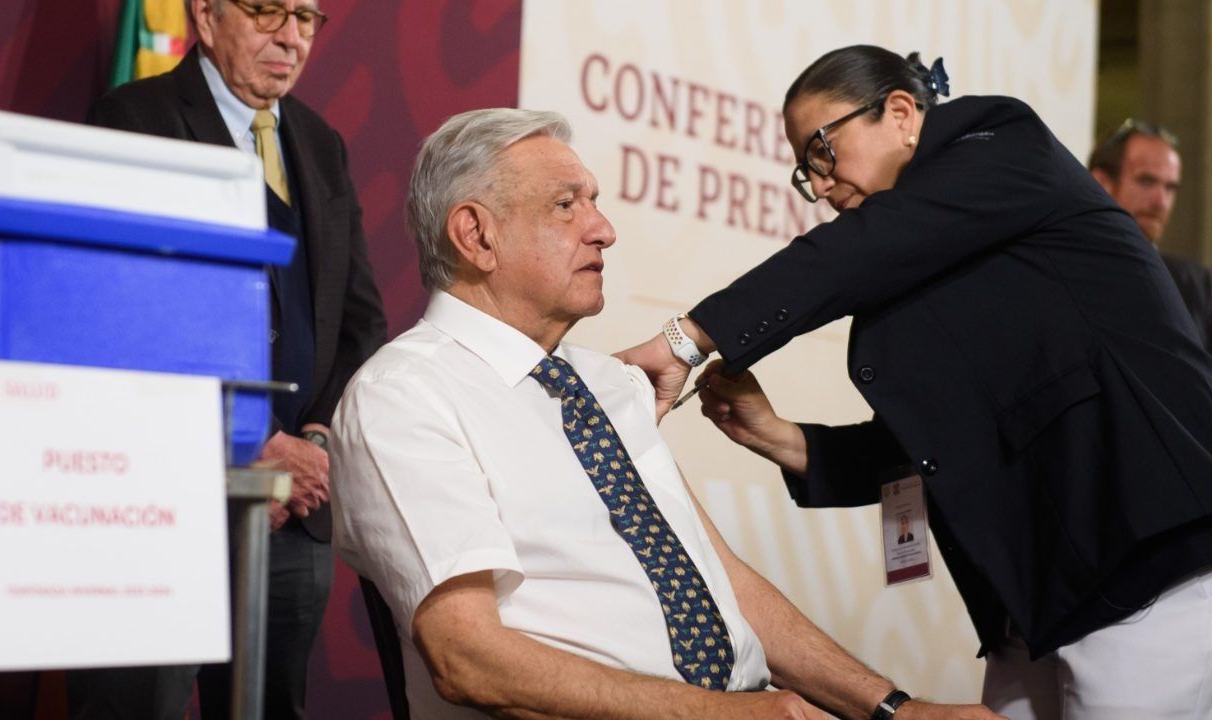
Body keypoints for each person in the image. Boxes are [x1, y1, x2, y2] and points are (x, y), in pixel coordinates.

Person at [330, 108, 1000, 720]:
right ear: (476, 235)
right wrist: (722, 715)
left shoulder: (609, 383)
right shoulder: (404, 396)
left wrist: (892, 711)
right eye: (567, 205)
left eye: (594, 200)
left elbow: (720, 577)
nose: (604, 229)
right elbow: (467, 659)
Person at [618, 45, 1212, 719]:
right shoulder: (937, 251)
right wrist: (786, 440)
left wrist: (688, 338)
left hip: (1140, 558)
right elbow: (948, 442)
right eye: (806, 172)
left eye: (822, 151)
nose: (822, 186)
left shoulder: (1003, 143)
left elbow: (855, 253)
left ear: (901, 112)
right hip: (1041, 601)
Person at [70, 1, 387, 717]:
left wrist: (312, 441)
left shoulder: (321, 142)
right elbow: (118, 314)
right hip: (165, 498)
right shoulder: (134, 120)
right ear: (206, 18)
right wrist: (246, 442)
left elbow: (359, 322)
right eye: (267, 10)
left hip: (293, 508)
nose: (290, 35)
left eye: (306, 16)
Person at [1087, 118, 1212, 351]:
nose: (1161, 202)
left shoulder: (1197, 286)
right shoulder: (1063, 273)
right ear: (1102, 183)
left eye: (1170, 187)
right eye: (1146, 181)